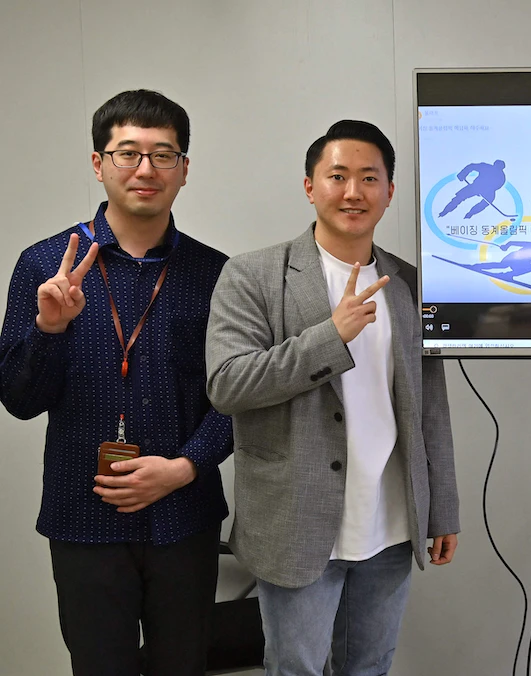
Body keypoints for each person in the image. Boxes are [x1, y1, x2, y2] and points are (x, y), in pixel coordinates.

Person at [205, 120, 460, 675]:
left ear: (389, 191)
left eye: (369, 178)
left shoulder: (411, 283)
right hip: (296, 523)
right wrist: (331, 336)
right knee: (294, 668)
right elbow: (228, 384)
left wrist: (442, 507)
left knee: (370, 667)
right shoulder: (252, 275)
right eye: (338, 176)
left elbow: (430, 407)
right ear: (309, 186)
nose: (353, 192)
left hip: (392, 523)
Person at [0, 89, 232, 675]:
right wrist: (50, 329)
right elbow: (20, 401)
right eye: (127, 153)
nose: (145, 169)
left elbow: (240, 398)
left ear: (184, 169)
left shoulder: (217, 274)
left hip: (185, 515)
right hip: (83, 516)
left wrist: (185, 467)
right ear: (98, 163)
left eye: (163, 155)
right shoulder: (43, 265)